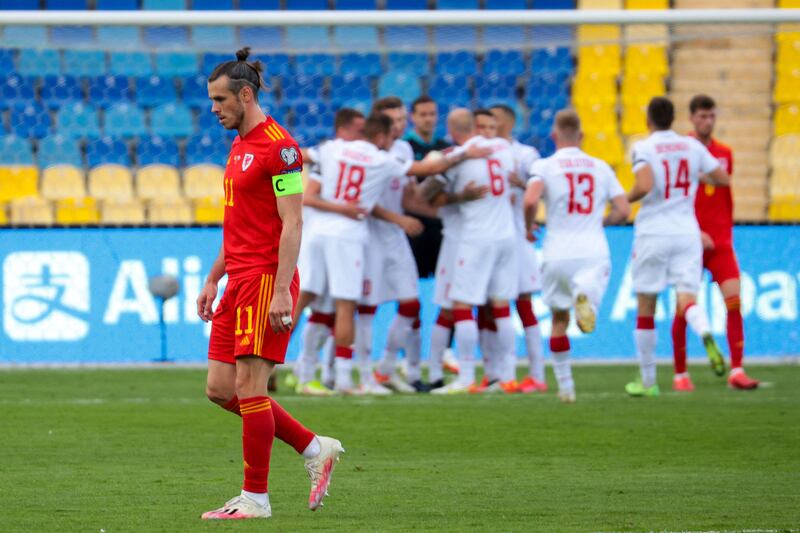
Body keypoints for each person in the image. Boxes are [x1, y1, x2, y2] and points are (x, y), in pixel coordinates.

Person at [197, 48, 343, 520]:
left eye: (220, 100)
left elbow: (293, 223)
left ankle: (255, 499)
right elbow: (241, 221)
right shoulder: (239, 145)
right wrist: (213, 276)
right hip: (237, 277)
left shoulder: (281, 147)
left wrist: (282, 288)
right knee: (222, 389)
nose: (214, 109)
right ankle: (313, 446)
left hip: (265, 279)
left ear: (245, 94)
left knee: (251, 386)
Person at [625, 96, 730, 398]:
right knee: (687, 299)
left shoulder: (644, 147)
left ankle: (648, 383)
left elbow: (644, 186)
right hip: (687, 232)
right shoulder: (692, 146)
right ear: (674, 119)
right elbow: (722, 178)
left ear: (649, 120)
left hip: (654, 232)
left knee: (646, 306)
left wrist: (622, 198)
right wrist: (695, 177)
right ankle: (706, 332)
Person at [524, 110, 630, 403]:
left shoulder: (543, 165)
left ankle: (566, 387)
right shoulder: (600, 167)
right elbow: (623, 209)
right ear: (581, 136)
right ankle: (587, 301)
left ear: (554, 136)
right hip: (592, 249)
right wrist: (602, 221)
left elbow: (530, 199)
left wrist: (527, 227)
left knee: (559, 317)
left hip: (556, 251)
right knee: (587, 298)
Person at [671, 95, 759, 391]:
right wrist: (694, 231)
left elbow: (720, 190)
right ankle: (681, 375)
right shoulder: (681, 151)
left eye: (711, 116)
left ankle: (737, 370)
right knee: (683, 307)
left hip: (721, 241)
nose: (707, 121)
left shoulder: (725, 153)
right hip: (689, 241)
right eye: (702, 117)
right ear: (692, 118)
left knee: (734, 301)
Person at [430, 108, 518, 395]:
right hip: (506, 236)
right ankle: (507, 375)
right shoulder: (505, 148)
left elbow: (429, 190)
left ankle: (466, 376)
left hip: (476, 237)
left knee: (462, 305)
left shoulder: (459, 155)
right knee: (501, 306)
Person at [292, 108, 365, 396]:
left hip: (317, 235)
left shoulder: (325, 153)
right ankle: (340, 378)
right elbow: (309, 196)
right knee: (338, 304)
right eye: (359, 130)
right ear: (344, 129)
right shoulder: (348, 153)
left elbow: (298, 156)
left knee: (318, 307)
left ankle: (304, 371)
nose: (362, 136)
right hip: (337, 236)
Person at [492, 104, 546, 394]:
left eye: (497, 121)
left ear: (510, 123)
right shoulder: (484, 152)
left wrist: (522, 184)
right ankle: (504, 374)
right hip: (493, 240)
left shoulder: (526, 154)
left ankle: (537, 373)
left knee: (524, 305)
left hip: (519, 239)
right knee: (495, 306)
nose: (492, 126)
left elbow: (541, 187)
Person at [404, 95, 451, 279]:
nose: (428, 118)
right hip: (414, 225)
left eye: (432, 114)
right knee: (412, 284)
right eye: (423, 114)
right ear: (412, 117)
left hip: (440, 225)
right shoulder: (405, 147)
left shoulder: (445, 147)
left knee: (444, 283)